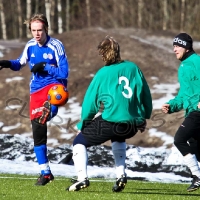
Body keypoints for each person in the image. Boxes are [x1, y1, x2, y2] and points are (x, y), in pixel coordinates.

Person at [66, 36, 152, 192]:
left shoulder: (103, 73)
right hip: (132, 124)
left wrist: (83, 124)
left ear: (103, 54)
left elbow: (90, 105)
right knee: (119, 136)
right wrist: (144, 117)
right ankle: (121, 175)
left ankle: (82, 179)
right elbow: (146, 94)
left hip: (112, 121)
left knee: (79, 142)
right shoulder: (133, 68)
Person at [0, 14, 69, 186]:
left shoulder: (56, 46)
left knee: (47, 111)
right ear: (30, 30)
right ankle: (45, 172)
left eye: (40, 30)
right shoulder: (30, 46)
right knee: (38, 131)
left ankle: (49, 109)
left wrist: (45, 67)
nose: (37, 34)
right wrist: (7, 63)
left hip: (54, 86)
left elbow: (64, 72)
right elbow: (19, 63)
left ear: (46, 29)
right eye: (33, 30)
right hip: (36, 89)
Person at [162, 33, 200, 192]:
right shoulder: (183, 67)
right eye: (173, 46)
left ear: (186, 46)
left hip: (197, 112)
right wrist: (171, 105)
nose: (174, 49)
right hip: (191, 110)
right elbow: (184, 95)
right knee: (196, 148)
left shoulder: (196, 61)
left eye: (177, 46)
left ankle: (197, 176)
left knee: (179, 139)